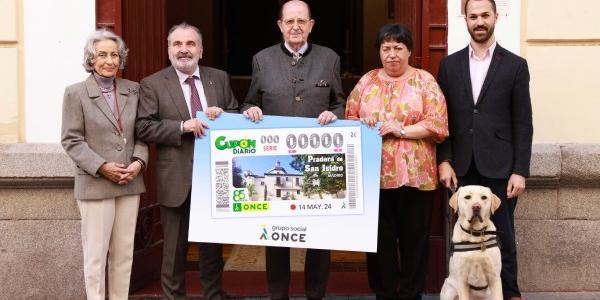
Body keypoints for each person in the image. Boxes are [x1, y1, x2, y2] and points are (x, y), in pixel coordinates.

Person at [241, 1, 345, 299]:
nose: (295, 26)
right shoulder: (262, 59)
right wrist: (250, 111)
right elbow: (248, 101)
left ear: (311, 24)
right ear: (280, 25)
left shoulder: (329, 58)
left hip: (319, 160)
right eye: (290, 21)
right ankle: (278, 294)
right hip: (277, 161)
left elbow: (339, 102)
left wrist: (335, 114)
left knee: (319, 237)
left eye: (302, 21)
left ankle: (315, 294)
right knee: (277, 235)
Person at [436, 0, 533, 299]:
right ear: (465, 19)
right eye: (473, 16)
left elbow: (523, 122)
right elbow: (443, 118)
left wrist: (520, 170)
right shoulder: (449, 65)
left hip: (501, 168)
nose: (479, 21)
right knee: (462, 237)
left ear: (496, 17)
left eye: (485, 16)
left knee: (502, 235)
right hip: (462, 167)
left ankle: (511, 293)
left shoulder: (515, 65)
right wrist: (445, 160)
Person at [135, 23, 238, 300]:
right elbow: (143, 127)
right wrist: (182, 126)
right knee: (174, 253)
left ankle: (213, 295)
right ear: (168, 50)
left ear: (201, 50)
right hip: (176, 179)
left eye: (190, 44)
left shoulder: (220, 78)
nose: (184, 50)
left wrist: (224, 115)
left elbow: (236, 116)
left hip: (215, 179)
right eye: (177, 44)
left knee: (212, 249)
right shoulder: (153, 83)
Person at [346, 23, 448, 299]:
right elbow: (349, 121)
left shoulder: (425, 81)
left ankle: (411, 293)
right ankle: (384, 293)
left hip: (417, 177)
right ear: (379, 51)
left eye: (398, 48)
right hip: (374, 176)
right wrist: (363, 123)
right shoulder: (366, 82)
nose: (392, 54)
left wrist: (401, 129)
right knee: (380, 241)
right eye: (386, 48)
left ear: (409, 51)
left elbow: (438, 125)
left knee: (415, 241)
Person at [61, 28, 148, 300]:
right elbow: (71, 140)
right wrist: (102, 167)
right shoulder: (75, 93)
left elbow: (142, 132)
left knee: (123, 254)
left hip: (129, 182)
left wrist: (138, 163)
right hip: (96, 182)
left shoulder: (134, 89)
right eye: (102, 55)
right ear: (90, 59)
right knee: (96, 256)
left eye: (114, 55)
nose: (109, 60)